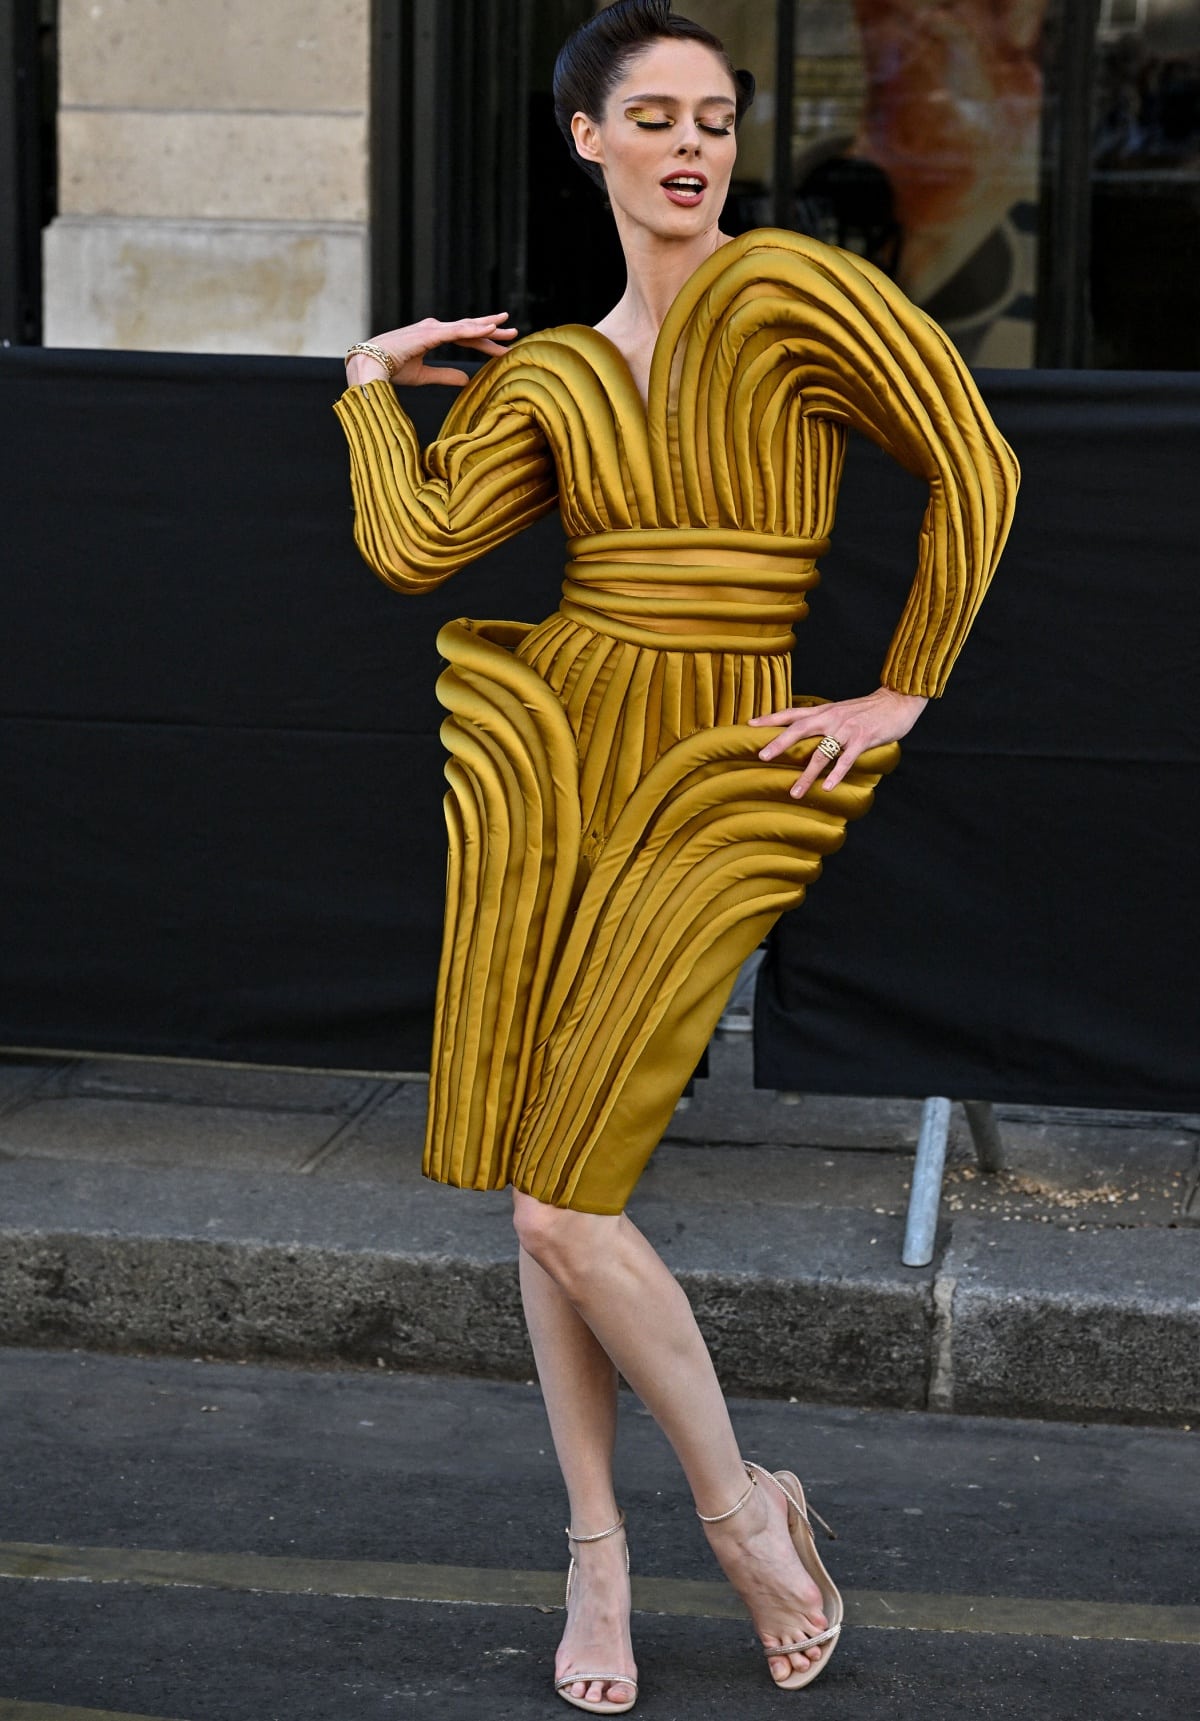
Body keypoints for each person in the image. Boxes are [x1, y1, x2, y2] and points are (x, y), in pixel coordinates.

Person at [333, 2, 1018, 1710]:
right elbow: (416, 544)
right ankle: (597, 1555)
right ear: (590, 140)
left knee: (565, 1190)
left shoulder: (796, 289)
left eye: (714, 114)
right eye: (654, 116)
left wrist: (902, 692)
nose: (693, 143)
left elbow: (974, 461)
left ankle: (740, 1508)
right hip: (554, 749)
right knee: (542, 1193)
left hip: (727, 757)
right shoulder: (554, 371)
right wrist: (363, 384)